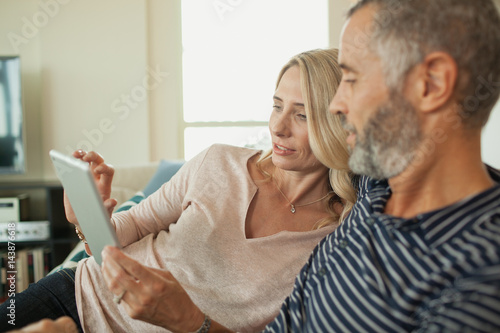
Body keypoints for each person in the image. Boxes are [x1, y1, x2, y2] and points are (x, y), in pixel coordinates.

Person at [97, 0, 500, 331]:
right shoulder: (374, 189)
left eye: (354, 80)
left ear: (432, 84)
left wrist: (189, 323)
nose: (338, 107)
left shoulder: (476, 279)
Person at [0, 48, 357, 332]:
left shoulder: (340, 240)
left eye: (302, 114)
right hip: (77, 297)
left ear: (341, 123)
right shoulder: (218, 163)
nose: (278, 128)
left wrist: (192, 323)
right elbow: (124, 234)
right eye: (276, 106)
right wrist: (89, 219)